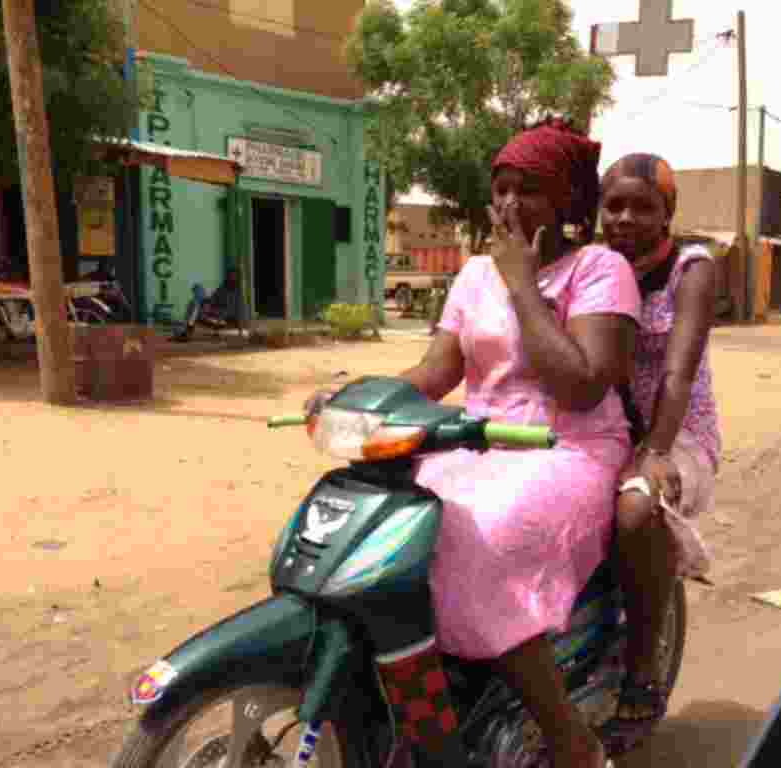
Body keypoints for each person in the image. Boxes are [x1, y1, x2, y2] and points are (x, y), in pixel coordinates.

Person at [309, 118, 639, 768]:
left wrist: (522, 285)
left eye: (531, 189)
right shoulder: (472, 276)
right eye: (502, 188)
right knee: (380, 525)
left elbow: (580, 387)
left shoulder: (600, 269)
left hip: (564, 449)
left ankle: (571, 740)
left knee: (471, 539)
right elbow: (435, 374)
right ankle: (415, 701)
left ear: (567, 202)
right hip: (474, 444)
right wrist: (353, 395)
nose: (511, 204)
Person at [597, 154, 721, 755]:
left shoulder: (690, 268)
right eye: (614, 205)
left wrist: (656, 450)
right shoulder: (594, 265)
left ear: (668, 212)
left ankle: (643, 671)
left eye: (642, 206)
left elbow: (679, 369)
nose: (625, 218)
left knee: (635, 512)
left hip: (678, 434)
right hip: (606, 429)